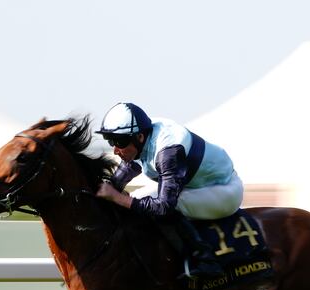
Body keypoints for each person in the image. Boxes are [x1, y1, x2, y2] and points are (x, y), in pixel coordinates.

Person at [94, 102, 244, 278]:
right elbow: (118, 180)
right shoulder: (141, 137)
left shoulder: (169, 152)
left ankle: (206, 260)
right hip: (197, 185)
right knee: (137, 198)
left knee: (163, 205)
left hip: (224, 190)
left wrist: (118, 198)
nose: (115, 149)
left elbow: (164, 207)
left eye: (119, 141)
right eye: (111, 140)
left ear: (140, 137)